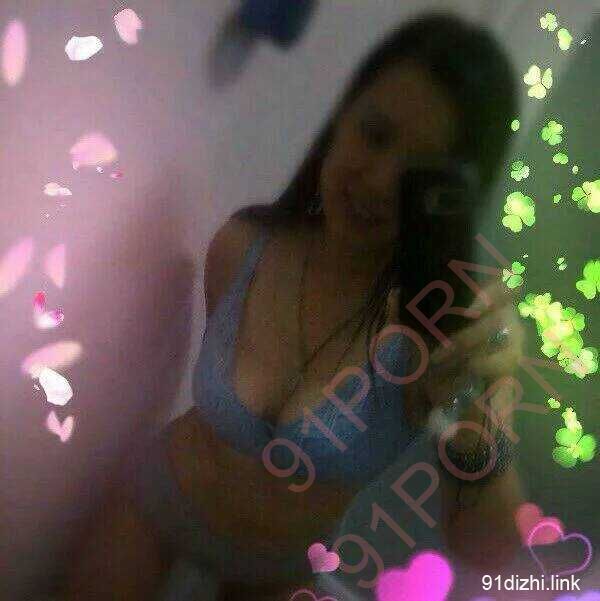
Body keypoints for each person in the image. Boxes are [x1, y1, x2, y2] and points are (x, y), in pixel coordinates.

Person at [62, 11, 523, 600]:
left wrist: (488, 398)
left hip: (279, 568)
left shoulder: (436, 341)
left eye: (420, 175)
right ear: (342, 117)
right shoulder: (242, 248)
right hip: (158, 504)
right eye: (374, 134)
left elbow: (490, 549)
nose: (381, 182)